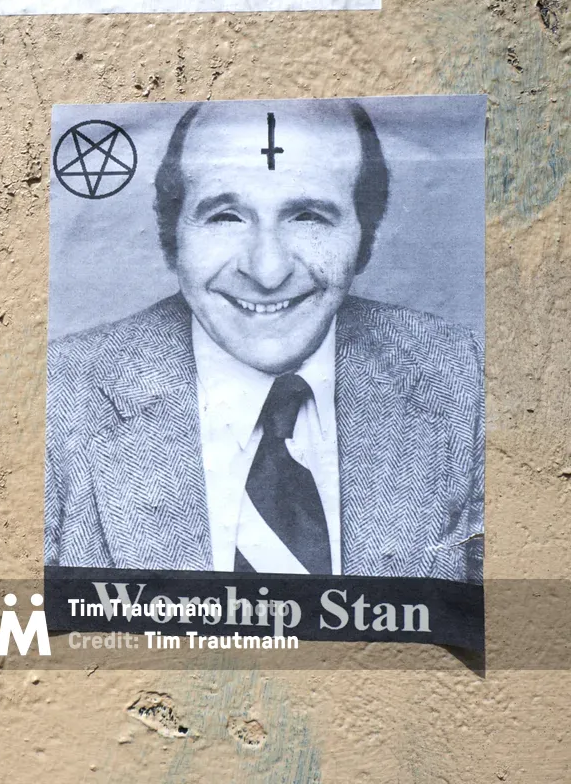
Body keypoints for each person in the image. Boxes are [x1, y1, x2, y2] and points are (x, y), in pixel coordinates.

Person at [44, 100, 484, 583]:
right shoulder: (57, 396)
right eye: (226, 217)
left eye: (308, 216)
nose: (267, 271)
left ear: (365, 237)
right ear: (173, 239)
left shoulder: (465, 377)